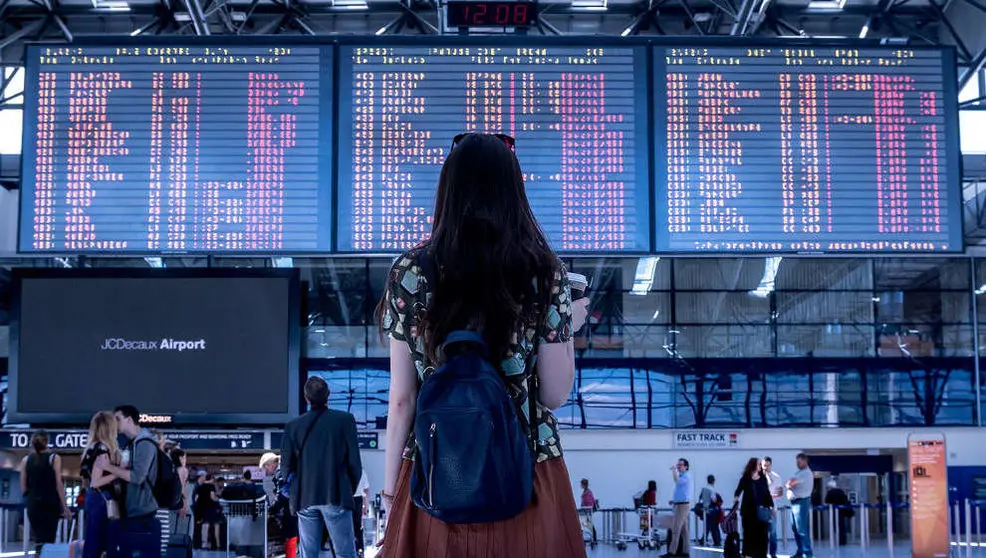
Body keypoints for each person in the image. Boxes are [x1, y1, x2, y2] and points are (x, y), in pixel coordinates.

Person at [375, 133, 591, 558]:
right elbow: (554, 393)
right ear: (514, 191)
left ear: (448, 190)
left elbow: (402, 399)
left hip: (436, 470)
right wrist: (567, 328)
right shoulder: (544, 272)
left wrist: (389, 493)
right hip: (527, 470)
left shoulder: (410, 272)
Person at [281, 376, 362, 558]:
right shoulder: (345, 420)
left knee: (308, 554)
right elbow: (355, 463)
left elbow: (285, 467)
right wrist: (348, 488)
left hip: (304, 497)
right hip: (336, 494)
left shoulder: (293, 426)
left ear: (306, 397)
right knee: (345, 554)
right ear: (329, 395)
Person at [96, 405, 162, 558]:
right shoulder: (131, 444)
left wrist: (108, 467)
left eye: (117, 419)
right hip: (132, 515)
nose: (115, 423)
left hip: (142, 515)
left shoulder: (144, 443)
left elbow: (137, 477)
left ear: (129, 419)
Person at [20, 430, 72, 555]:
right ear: (47, 442)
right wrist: (65, 507)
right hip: (50, 504)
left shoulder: (26, 460)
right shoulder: (54, 458)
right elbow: (58, 484)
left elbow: (23, 487)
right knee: (48, 541)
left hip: (33, 505)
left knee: (38, 541)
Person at [80, 412, 122, 558]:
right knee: (104, 543)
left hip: (93, 500)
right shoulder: (103, 450)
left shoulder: (89, 449)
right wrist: (119, 472)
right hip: (103, 501)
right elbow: (96, 482)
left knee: (92, 541)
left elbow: (86, 481)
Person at [734, 458, 773, 558]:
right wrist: (736, 499)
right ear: (753, 466)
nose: (760, 466)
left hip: (761, 511)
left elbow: (767, 493)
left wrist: (771, 506)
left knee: (762, 534)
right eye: (759, 464)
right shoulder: (746, 478)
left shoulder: (763, 478)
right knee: (748, 534)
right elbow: (738, 491)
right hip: (748, 512)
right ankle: (748, 554)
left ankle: (761, 554)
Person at [786, 453, 814, 558]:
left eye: (799, 461)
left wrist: (789, 484)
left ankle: (807, 553)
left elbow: (790, 483)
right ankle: (800, 552)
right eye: (796, 462)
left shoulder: (805, 473)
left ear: (805, 461)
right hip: (795, 503)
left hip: (801, 503)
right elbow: (790, 482)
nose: (797, 464)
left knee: (801, 529)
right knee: (795, 528)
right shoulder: (800, 472)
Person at [664, 458, 693, 558]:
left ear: (686, 466)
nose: (678, 466)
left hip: (683, 506)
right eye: (678, 464)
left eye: (681, 465)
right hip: (679, 504)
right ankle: (686, 552)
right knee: (684, 531)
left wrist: (673, 471)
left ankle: (672, 552)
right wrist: (674, 500)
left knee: (676, 529)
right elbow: (682, 492)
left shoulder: (686, 476)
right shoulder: (681, 476)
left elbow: (677, 481)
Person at [193, 474, 222, 550]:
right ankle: (216, 544)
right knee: (214, 525)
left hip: (202, 508)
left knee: (205, 526)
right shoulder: (211, 486)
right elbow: (212, 497)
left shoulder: (200, 487)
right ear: (211, 479)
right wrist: (218, 500)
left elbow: (196, 499)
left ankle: (204, 544)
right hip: (210, 508)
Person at [762, 457, 783, 558]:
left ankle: (773, 554)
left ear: (771, 465)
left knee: (773, 532)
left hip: (772, 508)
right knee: (762, 532)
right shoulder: (758, 477)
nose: (765, 467)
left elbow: (780, 493)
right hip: (761, 509)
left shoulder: (776, 477)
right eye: (764, 465)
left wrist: (770, 497)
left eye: (767, 465)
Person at [824, 480, 852, 546]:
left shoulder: (830, 492)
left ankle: (837, 540)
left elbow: (826, 501)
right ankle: (843, 541)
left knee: (835, 526)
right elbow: (845, 500)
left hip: (833, 511)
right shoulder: (841, 491)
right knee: (842, 526)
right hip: (842, 511)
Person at [169, 449, 190, 537]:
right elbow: (182, 487)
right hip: (179, 501)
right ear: (180, 458)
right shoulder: (183, 470)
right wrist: (184, 504)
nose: (186, 459)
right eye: (185, 457)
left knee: (170, 526)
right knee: (181, 528)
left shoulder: (171, 468)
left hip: (169, 500)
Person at [698, 475, 722, 547]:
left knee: (708, 525)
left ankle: (703, 539)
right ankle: (717, 541)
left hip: (705, 509)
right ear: (713, 481)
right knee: (714, 525)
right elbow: (714, 500)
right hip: (711, 510)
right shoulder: (712, 489)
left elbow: (700, 498)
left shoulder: (703, 489)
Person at [353, 471, 369, 557]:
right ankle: (360, 551)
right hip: (357, 500)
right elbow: (366, 490)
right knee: (358, 527)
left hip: (346, 499)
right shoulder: (361, 471)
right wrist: (365, 507)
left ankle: (357, 550)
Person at [579, 479, 597, 545]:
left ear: (584, 484)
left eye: (581, 484)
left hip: (587, 512)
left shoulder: (588, 493)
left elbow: (590, 503)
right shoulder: (586, 492)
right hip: (585, 511)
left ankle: (594, 539)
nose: (581, 485)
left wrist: (585, 509)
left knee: (586, 524)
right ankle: (593, 538)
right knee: (586, 524)